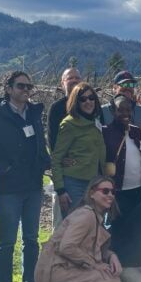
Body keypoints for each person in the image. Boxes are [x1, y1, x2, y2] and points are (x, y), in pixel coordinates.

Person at [0, 71, 50, 282]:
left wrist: (44, 162)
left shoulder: (35, 115)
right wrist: (3, 169)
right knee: (7, 240)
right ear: (8, 88)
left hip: (33, 186)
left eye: (29, 87)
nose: (26, 91)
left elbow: (40, 144)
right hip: (9, 187)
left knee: (31, 238)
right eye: (21, 86)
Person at [33, 176, 128, 282]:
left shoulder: (95, 216)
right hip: (56, 269)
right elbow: (67, 247)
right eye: (105, 191)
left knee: (109, 277)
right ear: (92, 193)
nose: (110, 195)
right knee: (106, 280)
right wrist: (95, 265)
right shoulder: (86, 215)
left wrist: (112, 257)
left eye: (112, 192)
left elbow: (96, 248)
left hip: (68, 265)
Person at [51, 82, 106, 218]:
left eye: (91, 98)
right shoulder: (69, 124)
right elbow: (56, 158)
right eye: (82, 99)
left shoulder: (96, 122)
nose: (88, 102)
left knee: (93, 227)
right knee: (76, 229)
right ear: (76, 102)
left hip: (95, 183)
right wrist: (61, 190)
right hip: (75, 184)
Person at [103, 94, 141, 219]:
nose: (125, 113)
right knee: (118, 230)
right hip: (116, 193)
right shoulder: (105, 133)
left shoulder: (138, 133)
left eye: (128, 110)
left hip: (140, 192)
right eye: (120, 110)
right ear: (113, 111)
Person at [48, 67, 81, 154]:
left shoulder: (90, 104)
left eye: (77, 78)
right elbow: (53, 140)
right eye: (70, 78)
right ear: (63, 83)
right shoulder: (56, 108)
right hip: (67, 162)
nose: (74, 80)